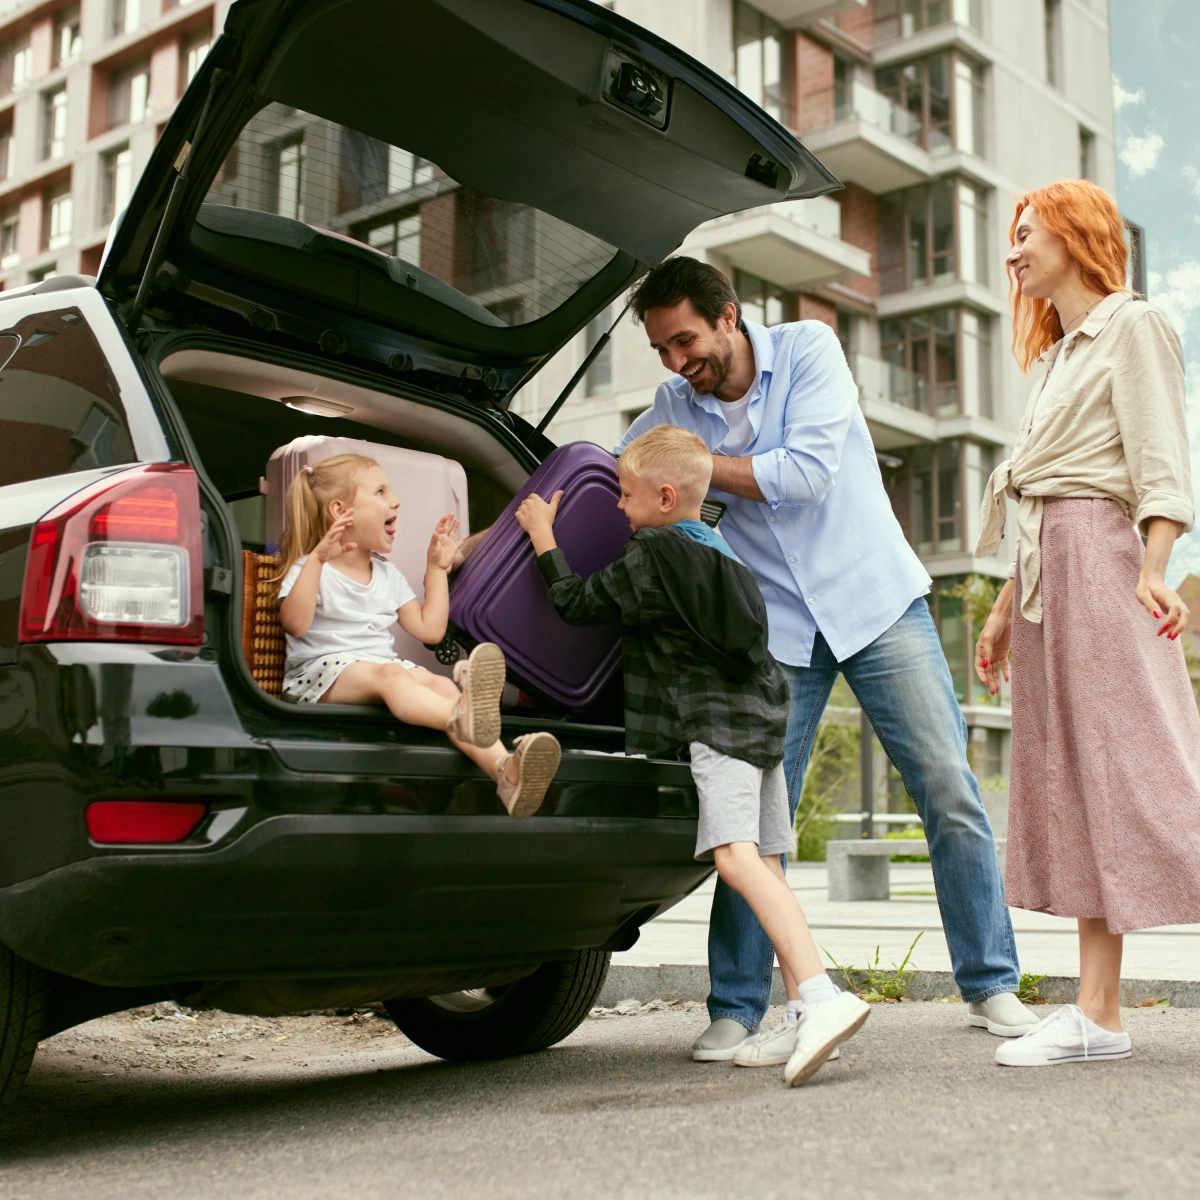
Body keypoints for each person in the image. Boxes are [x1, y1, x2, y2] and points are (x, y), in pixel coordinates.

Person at [617, 258, 1034, 1063]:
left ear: (729, 317)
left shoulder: (810, 351)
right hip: (771, 634)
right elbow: (613, 475)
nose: (675, 363)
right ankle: (738, 1006)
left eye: (685, 341)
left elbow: (803, 475)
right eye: (661, 350)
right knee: (757, 824)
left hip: (876, 603)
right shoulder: (672, 406)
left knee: (949, 790)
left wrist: (692, 474)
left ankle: (991, 987)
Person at [515, 424, 871, 1085]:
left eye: (625, 496)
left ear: (665, 497)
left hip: (720, 730)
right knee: (765, 862)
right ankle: (800, 1010)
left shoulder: (654, 554)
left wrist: (543, 535)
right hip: (764, 723)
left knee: (735, 858)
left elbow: (576, 602)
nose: (619, 508)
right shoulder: (722, 550)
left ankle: (821, 997)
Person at [974, 180, 1199, 1067]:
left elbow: (1160, 461)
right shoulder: (1059, 356)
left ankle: (1098, 1012)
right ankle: (1097, 1014)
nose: (1015, 252)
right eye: (1013, 238)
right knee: (1079, 787)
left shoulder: (1132, 326)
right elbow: (1039, 490)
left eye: (1027, 234)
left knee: (1144, 773)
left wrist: (1154, 566)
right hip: (1046, 575)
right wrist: (1000, 609)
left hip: (1102, 564)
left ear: (1075, 236)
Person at [274, 452, 561, 817]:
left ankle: (506, 774)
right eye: (379, 492)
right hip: (317, 678)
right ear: (339, 512)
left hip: (375, 667)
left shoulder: (386, 574)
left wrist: (437, 569)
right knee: (395, 676)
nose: (394, 500)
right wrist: (315, 561)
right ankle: (460, 717)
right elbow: (295, 624)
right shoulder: (311, 568)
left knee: (440, 685)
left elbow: (431, 629)